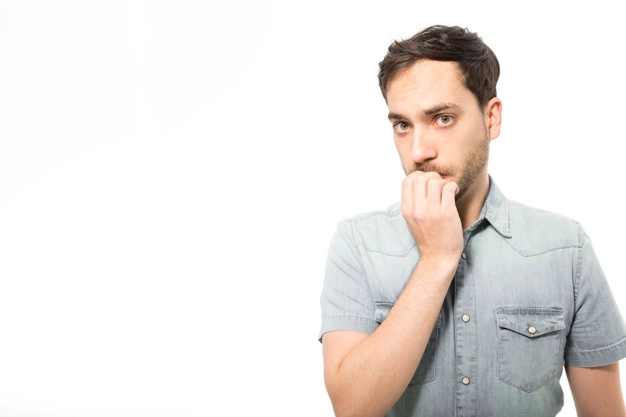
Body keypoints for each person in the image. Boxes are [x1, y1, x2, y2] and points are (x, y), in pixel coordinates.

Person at [318, 24, 626, 417]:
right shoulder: (358, 244)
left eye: (442, 118)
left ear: (491, 118)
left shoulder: (567, 249)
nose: (418, 151)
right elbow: (352, 408)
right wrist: (436, 259)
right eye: (403, 125)